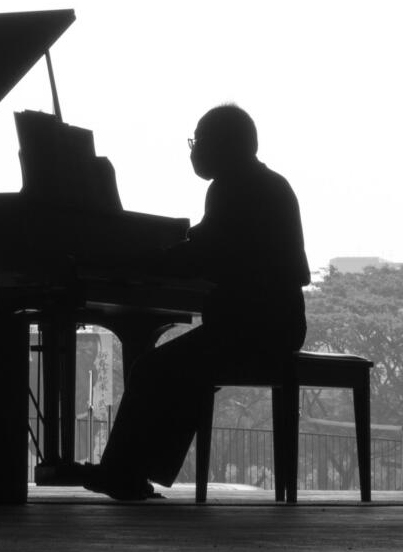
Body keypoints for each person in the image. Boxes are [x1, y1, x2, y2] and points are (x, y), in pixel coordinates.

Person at [86, 104, 308, 500]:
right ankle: (133, 472)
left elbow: (200, 253)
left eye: (199, 141)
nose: (194, 151)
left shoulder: (232, 188)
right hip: (276, 323)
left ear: (224, 145)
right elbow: (209, 247)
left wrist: (132, 262)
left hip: (254, 330)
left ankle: (124, 472)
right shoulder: (263, 183)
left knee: (153, 369)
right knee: (178, 369)